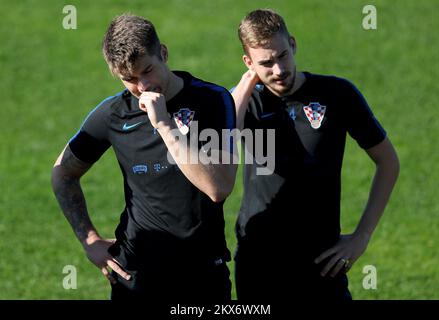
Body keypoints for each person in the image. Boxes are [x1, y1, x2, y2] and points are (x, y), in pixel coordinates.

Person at [51, 14, 237, 300]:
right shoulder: (113, 114)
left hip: (202, 277)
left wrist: (164, 124)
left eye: (147, 71)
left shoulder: (211, 100)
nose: (142, 87)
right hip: (135, 277)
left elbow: (219, 187)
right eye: (129, 79)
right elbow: (63, 173)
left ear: (163, 52)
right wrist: (89, 240)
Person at [231, 9, 399, 301]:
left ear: (293, 44)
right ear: (248, 63)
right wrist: (244, 89)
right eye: (266, 63)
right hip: (260, 260)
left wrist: (361, 236)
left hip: (322, 260)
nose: (279, 69)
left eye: (282, 55)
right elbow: (213, 161)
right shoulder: (247, 103)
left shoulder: (336, 93)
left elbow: (388, 162)